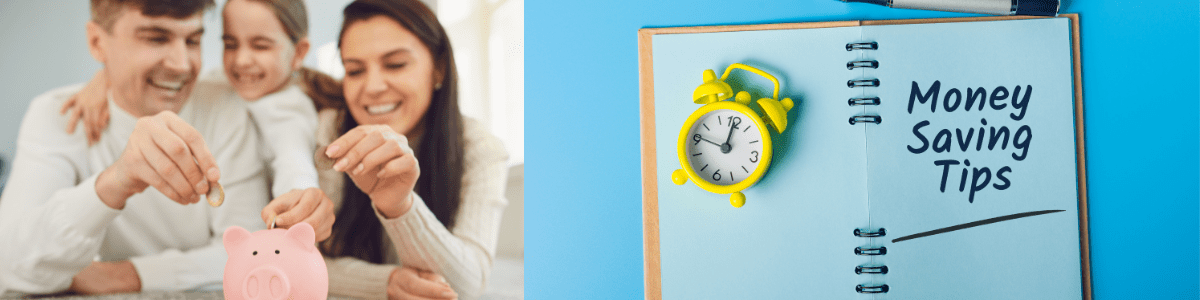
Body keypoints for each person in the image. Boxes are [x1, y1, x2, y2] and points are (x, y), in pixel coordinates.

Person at [0, 0, 332, 295]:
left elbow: (250, 249)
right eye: (156, 38)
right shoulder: (61, 115)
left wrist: (127, 275)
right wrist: (114, 182)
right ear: (97, 42)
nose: (182, 65)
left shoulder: (229, 106)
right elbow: (7, 265)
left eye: (193, 40)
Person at [308, 1, 510, 299]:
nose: (373, 86)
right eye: (354, 70)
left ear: (439, 69)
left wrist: (400, 205)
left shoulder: (480, 148)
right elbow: (297, 257)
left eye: (396, 64)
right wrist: (386, 282)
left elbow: (467, 286)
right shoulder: (329, 134)